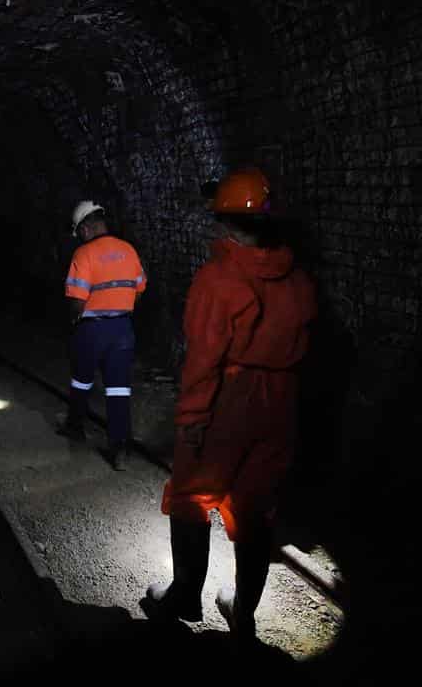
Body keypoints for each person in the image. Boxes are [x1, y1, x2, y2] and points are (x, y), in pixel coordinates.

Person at [141, 166, 316, 640]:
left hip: (228, 397)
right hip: (282, 399)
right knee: (256, 506)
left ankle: (184, 596)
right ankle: (243, 610)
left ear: (224, 220)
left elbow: (205, 355)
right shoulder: (298, 279)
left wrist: (193, 416)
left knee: (191, 497)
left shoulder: (218, 279)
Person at [55, 200, 147, 470]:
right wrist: (121, 305)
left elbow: (77, 299)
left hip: (92, 328)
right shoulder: (128, 251)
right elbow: (139, 288)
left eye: (79, 231)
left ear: (85, 227)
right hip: (122, 329)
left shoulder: (84, 254)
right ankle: (119, 448)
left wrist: (75, 320)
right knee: (119, 388)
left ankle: (75, 426)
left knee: (81, 380)